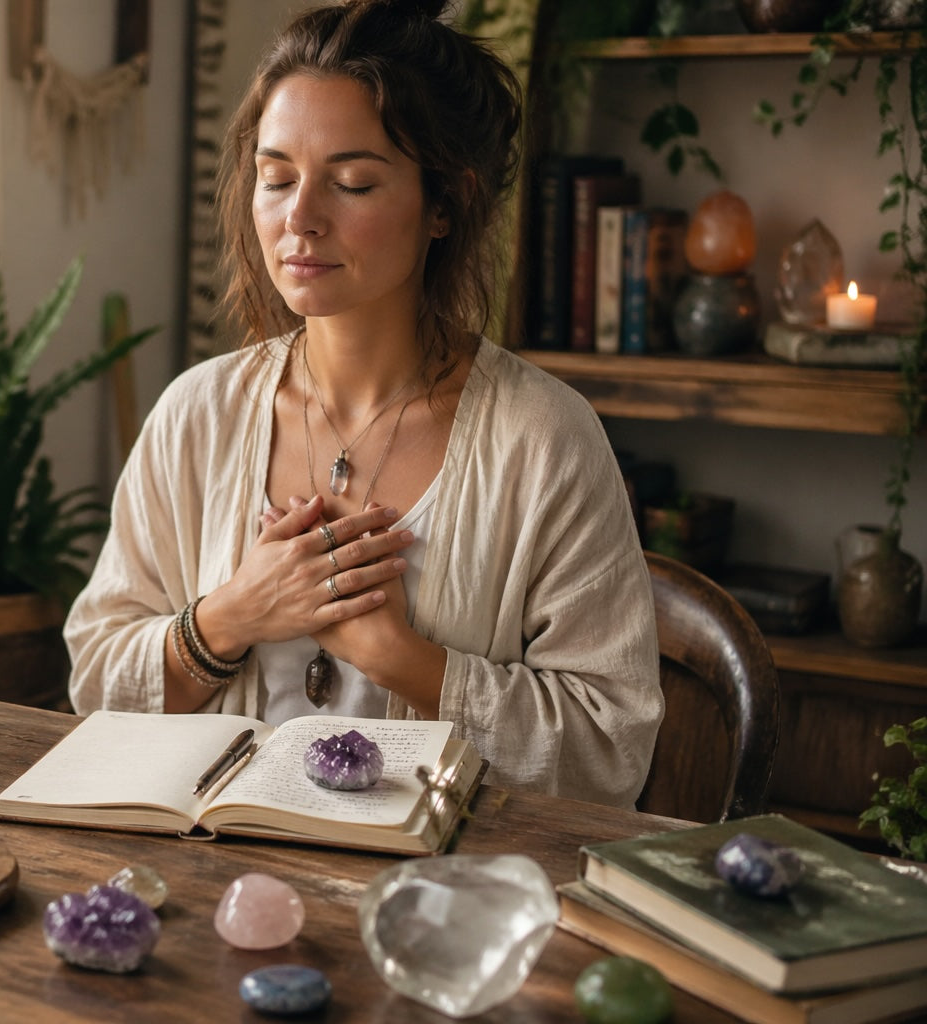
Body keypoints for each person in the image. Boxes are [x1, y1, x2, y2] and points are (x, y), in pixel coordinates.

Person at [64, 0, 662, 808]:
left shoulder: (544, 440)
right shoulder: (195, 416)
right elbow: (95, 681)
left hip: (437, 900)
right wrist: (228, 619)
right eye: (276, 179)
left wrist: (399, 657)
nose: (299, 219)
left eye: (351, 182)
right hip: (216, 879)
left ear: (446, 203)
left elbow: (609, 745)